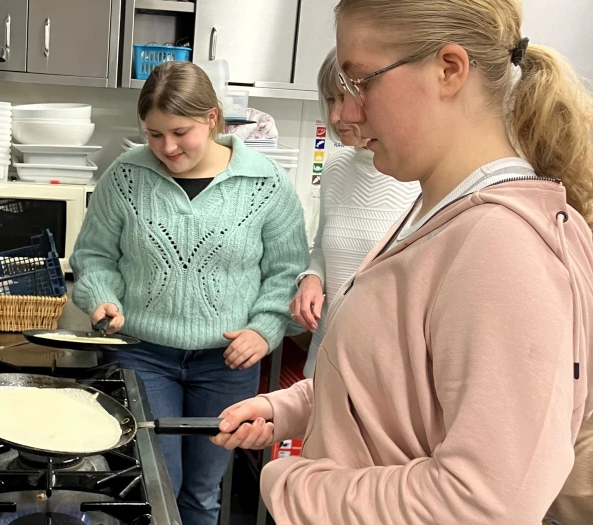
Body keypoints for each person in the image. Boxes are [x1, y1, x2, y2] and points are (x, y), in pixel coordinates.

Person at [211, 0, 593, 524]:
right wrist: (296, 407)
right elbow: (400, 384)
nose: (345, 113)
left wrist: (290, 484)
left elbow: (483, 502)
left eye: (361, 81)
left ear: (450, 69)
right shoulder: (434, 211)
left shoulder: (502, 246)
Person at [70, 61, 309, 525]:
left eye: (180, 132)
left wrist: (264, 329)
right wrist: (102, 297)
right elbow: (95, 255)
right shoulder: (126, 176)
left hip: (227, 362)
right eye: (154, 134)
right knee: (155, 484)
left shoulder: (265, 183)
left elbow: (287, 270)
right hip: (141, 355)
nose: (167, 148)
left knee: (201, 496)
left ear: (212, 118)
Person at [291, 48, 420, 378]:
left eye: (342, 99)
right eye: (329, 101)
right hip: (324, 358)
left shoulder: (420, 179)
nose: (335, 116)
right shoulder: (335, 167)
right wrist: (312, 278)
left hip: (383, 374)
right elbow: (322, 246)